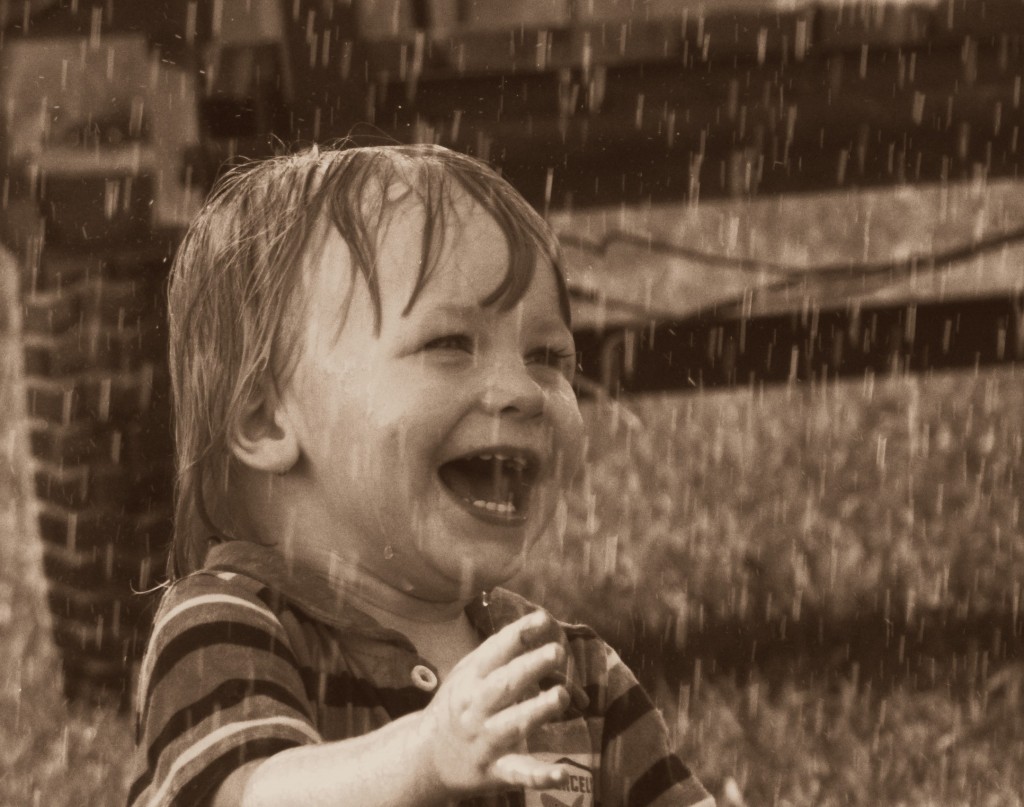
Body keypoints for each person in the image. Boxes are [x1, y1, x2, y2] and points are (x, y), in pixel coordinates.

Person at [127, 143, 714, 807]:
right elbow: (252, 794)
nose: (522, 390)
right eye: (449, 344)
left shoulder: (566, 675)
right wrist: (421, 756)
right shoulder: (227, 628)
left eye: (549, 356)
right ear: (265, 422)